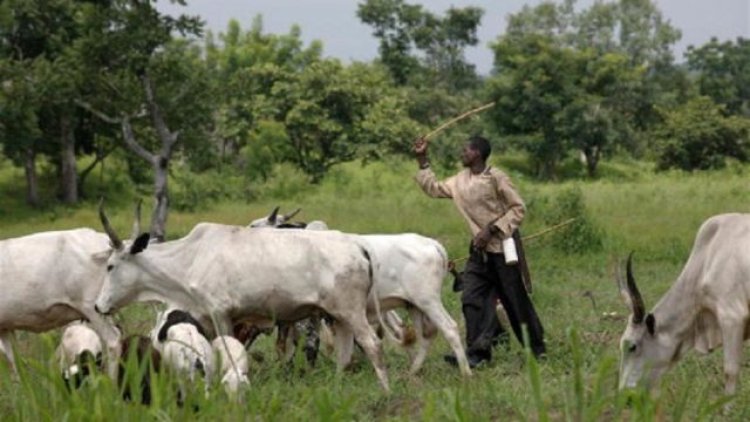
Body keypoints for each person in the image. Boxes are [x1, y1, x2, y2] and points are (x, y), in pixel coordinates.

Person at [413, 135, 546, 367]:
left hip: (503, 250)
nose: (462, 153)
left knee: (515, 302)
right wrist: (422, 159)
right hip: (478, 252)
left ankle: (537, 350)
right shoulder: (459, 180)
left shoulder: (497, 177)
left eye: (466, 150)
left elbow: (518, 209)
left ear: (478, 153)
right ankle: (477, 354)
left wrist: (492, 229)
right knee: (471, 298)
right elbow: (433, 189)